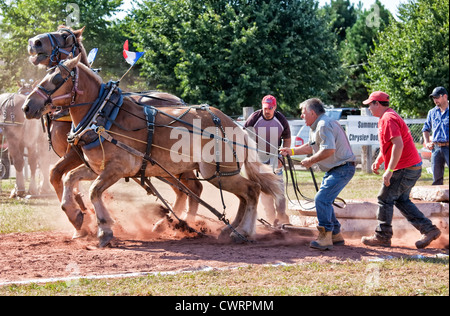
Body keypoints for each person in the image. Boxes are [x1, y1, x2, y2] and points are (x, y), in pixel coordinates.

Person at [361, 91, 441, 249]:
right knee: (401, 200)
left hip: (405, 167)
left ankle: (382, 236)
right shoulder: (386, 117)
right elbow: (390, 145)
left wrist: (389, 169)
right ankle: (429, 230)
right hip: (412, 166)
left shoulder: (388, 118)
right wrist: (379, 160)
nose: (369, 107)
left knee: (384, 198)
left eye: (370, 104)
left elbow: (398, 144)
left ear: (377, 104)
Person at [280, 98, 356, 250]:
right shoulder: (318, 124)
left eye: (303, 113)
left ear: (312, 113)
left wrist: (311, 161)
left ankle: (324, 237)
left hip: (342, 168)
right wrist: (292, 151)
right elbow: (311, 147)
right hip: (339, 168)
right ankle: (335, 234)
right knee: (325, 199)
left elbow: (329, 150)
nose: (302, 116)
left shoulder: (323, 125)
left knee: (321, 199)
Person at [244, 95, 291, 225]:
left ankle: (282, 217)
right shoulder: (254, 118)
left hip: (276, 158)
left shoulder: (281, 119)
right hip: (259, 159)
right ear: (262, 107)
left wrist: (283, 155)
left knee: (279, 189)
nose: (267, 111)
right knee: (265, 191)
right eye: (265, 108)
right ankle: (271, 219)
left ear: (274, 107)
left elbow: (287, 139)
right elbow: (244, 137)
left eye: (270, 108)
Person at [422, 86, 449, 185]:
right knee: (436, 179)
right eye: (433, 98)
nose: (435, 100)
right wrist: (427, 142)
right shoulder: (432, 112)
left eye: (437, 97)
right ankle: (438, 200)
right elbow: (425, 129)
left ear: (445, 96)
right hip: (436, 149)